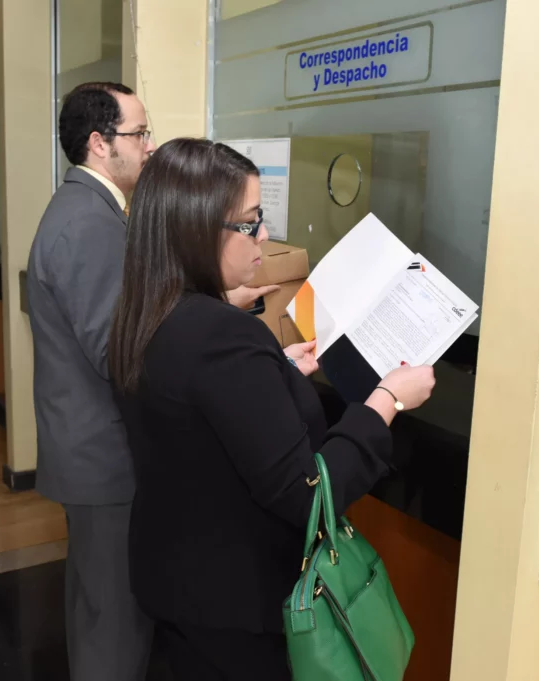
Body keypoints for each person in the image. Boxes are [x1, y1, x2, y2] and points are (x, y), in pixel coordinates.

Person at [108, 138, 436, 680]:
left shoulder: (146, 312)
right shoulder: (222, 334)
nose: (262, 236)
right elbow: (307, 495)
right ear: (195, 229)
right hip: (236, 601)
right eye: (249, 222)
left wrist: (275, 370)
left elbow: (195, 409)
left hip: (174, 577)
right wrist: (389, 398)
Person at [27, 84, 274, 681]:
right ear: (99, 143)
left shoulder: (93, 210)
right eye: (139, 134)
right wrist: (215, 313)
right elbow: (118, 348)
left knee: (97, 606)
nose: (149, 145)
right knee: (113, 623)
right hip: (103, 457)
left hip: (90, 449)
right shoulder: (88, 222)